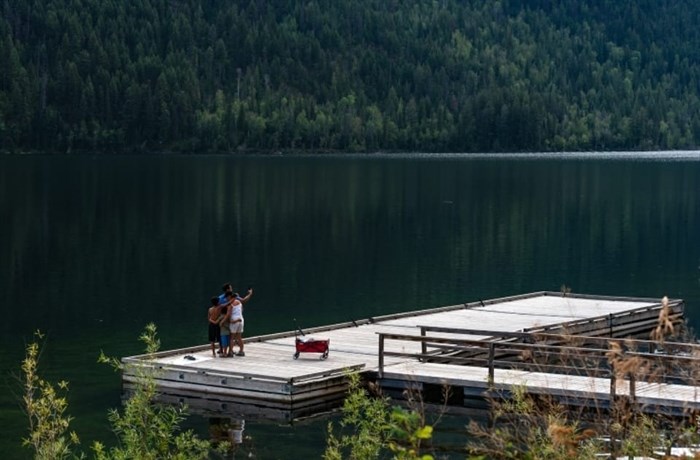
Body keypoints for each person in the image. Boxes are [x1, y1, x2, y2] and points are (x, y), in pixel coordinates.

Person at [228, 287, 253, 356]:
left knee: (231, 338)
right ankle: (241, 351)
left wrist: (230, 320)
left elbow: (229, 314)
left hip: (234, 320)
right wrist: (250, 293)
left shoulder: (230, 305)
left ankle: (230, 352)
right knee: (239, 337)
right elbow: (242, 310)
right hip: (241, 320)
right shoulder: (239, 303)